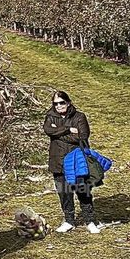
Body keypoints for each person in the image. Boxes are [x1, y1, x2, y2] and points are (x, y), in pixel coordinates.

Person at [43, 90, 99, 234]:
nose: (59, 106)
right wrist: (68, 129)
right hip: (58, 161)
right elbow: (48, 130)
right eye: (56, 103)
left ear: (68, 102)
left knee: (83, 191)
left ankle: (90, 220)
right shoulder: (50, 116)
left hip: (76, 160)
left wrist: (59, 133)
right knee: (64, 192)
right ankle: (69, 220)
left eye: (62, 102)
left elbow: (82, 136)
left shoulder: (79, 116)